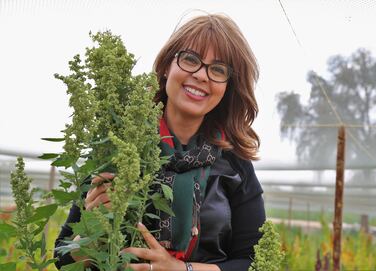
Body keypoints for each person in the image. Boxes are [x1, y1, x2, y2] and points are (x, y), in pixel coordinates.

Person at [55, 13, 265, 271]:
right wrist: (94, 227)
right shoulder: (119, 145)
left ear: (228, 87)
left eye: (218, 69)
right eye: (190, 59)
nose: (201, 75)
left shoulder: (235, 162)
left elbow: (253, 261)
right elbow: (62, 258)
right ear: (167, 66)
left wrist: (181, 270)